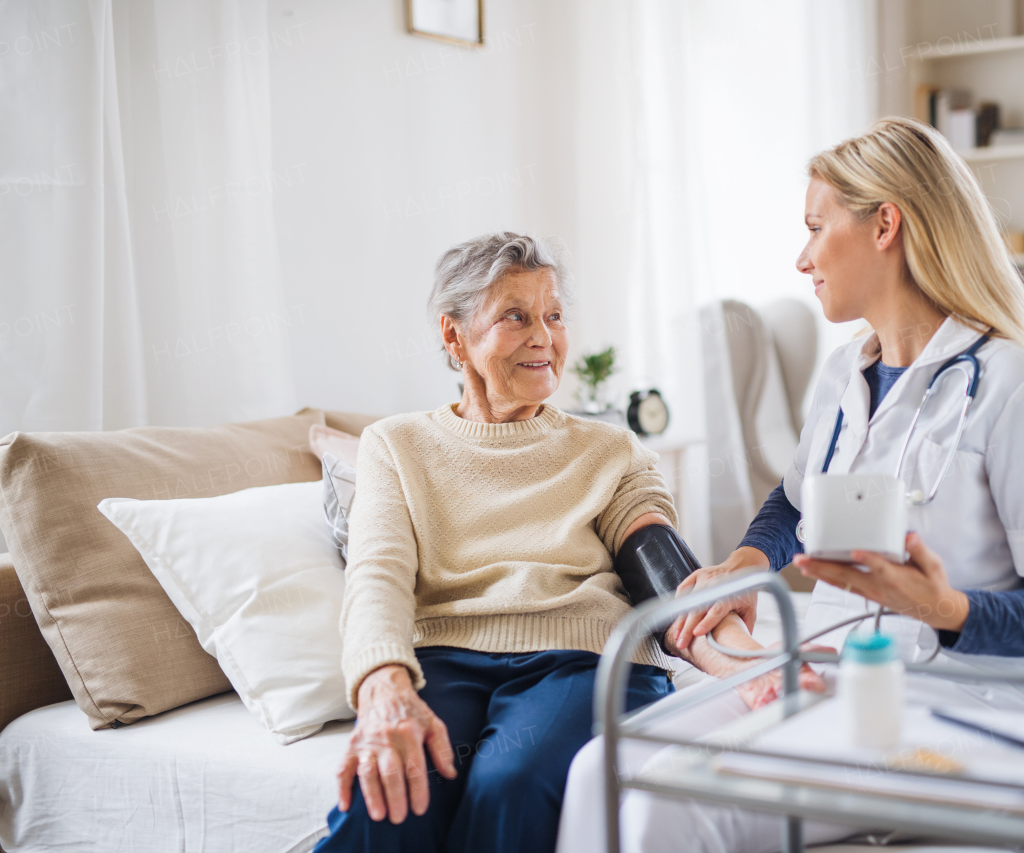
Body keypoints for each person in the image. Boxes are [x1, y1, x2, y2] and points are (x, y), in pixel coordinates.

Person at [557, 117, 1024, 853]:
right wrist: (751, 561)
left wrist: (947, 608)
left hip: (952, 711)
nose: (801, 257)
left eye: (817, 227)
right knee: (601, 767)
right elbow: (795, 498)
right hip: (829, 674)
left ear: (887, 224)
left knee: (674, 805)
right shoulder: (843, 375)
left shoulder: (1021, 390)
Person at [313, 232, 809, 853]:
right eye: (514, 317)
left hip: (586, 661)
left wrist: (750, 667)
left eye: (553, 316)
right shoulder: (397, 444)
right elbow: (377, 573)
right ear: (453, 335)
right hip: (444, 662)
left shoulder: (609, 449)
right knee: (387, 794)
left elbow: (662, 572)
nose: (543, 337)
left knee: (509, 783)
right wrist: (382, 684)